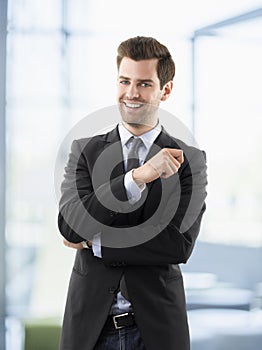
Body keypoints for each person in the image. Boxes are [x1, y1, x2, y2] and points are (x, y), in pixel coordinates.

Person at [58, 36, 207, 350]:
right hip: (90, 329)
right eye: (124, 81)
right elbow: (70, 226)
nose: (131, 93)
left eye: (144, 84)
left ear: (165, 90)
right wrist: (138, 177)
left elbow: (177, 244)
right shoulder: (85, 151)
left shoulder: (189, 160)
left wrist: (96, 241)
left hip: (156, 329)